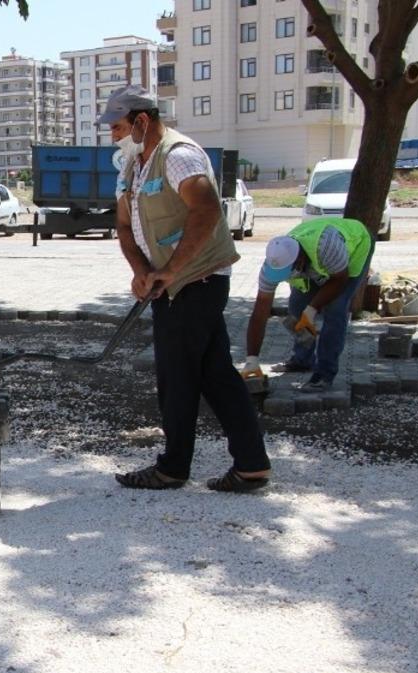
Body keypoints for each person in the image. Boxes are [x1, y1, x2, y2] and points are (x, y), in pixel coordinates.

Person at [101, 85, 271, 493]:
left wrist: (172, 270)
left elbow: (208, 209)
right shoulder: (133, 166)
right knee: (215, 375)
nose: (112, 135)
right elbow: (124, 226)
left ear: (142, 121)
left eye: (118, 127)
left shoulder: (178, 157)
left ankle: (172, 468)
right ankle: (251, 464)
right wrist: (142, 271)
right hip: (172, 284)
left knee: (176, 377)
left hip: (199, 280)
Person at [241, 219, 373, 392]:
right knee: (296, 308)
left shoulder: (326, 247)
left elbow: (339, 279)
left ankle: (324, 374)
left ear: (300, 259)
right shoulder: (271, 266)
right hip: (317, 260)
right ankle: (302, 361)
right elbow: (259, 314)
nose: (286, 276)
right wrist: (252, 359)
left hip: (355, 246)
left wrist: (312, 309)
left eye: (289, 271)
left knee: (335, 308)